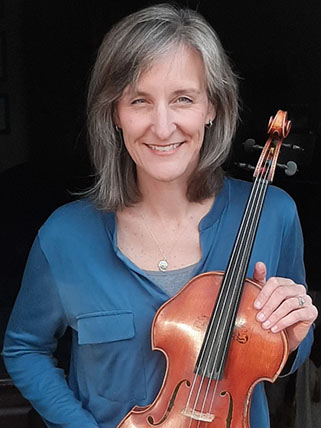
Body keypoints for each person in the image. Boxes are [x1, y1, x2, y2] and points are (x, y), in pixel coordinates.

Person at [2, 3, 318, 428]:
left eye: (183, 99)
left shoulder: (273, 215)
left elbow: (291, 353)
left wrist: (294, 336)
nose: (163, 126)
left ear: (213, 108)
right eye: (140, 100)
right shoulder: (64, 236)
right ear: (115, 113)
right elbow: (25, 349)